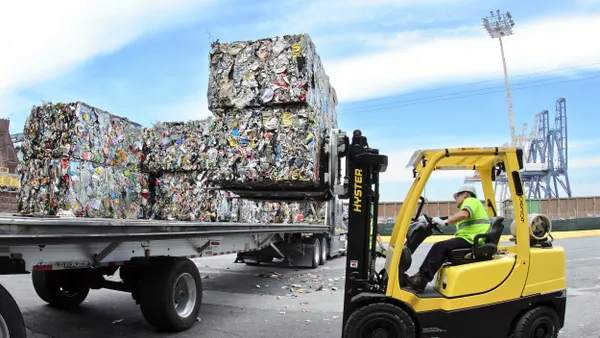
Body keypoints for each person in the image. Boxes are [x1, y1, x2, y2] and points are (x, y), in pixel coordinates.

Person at [405, 185, 490, 293]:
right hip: (470, 239)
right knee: (442, 248)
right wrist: (435, 220)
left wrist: (445, 222)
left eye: (457, 196)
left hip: (471, 240)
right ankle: (421, 278)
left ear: (465, 194)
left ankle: (421, 279)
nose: (456, 200)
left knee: (439, 247)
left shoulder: (471, 200)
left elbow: (464, 214)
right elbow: (457, 216)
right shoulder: (473, 205)